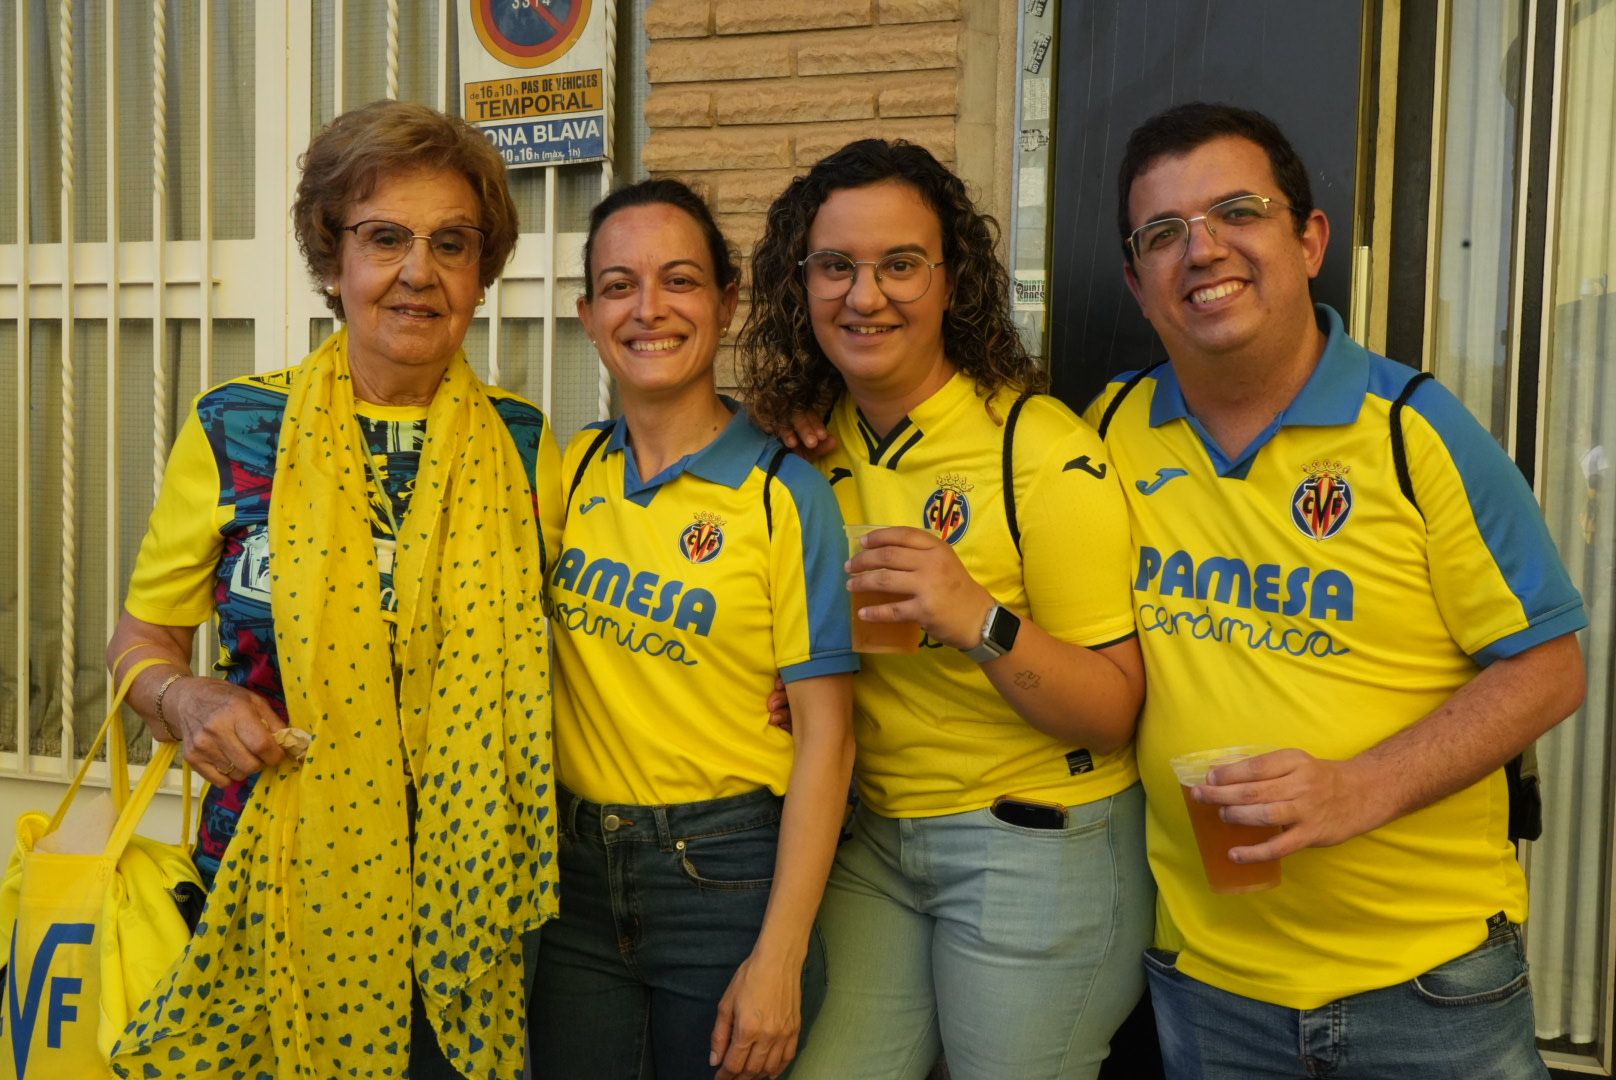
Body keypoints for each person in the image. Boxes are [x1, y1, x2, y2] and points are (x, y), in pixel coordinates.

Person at [1088, 101, 1587, 1078]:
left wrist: (1358, 788)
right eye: (1162, 233)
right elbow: (977, 473)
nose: (1201, 250)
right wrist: (816, 427)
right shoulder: (1107, 429)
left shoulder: (1413, 431)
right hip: (1210, 985)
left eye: (1236, 211)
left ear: (1307, 238)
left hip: (1427, 987)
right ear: (1134, 280)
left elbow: (1547, 669)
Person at [104, 100, 560, 1080]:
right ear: (332, 258)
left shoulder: (527, 447)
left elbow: (586, 629)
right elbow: (140, 638)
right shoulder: (235, 429)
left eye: (451, 242)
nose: (416, 271)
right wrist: (184, 697)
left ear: (481, 273)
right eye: (383, 237)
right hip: (266, 886)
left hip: (462, 908)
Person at [739, 139, 1152, 1080]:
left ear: (952, 280)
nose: (864, 294)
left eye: (900, 265)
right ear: (799, 284)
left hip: (1039, 841)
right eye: (834, 265)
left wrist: (978, 618)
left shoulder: (1039, 450)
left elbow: (1116, 709)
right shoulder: (804, 445)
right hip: (878, 839)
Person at [526, 178, 857, 1080]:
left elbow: (827, 737)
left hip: (728, 878)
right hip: (574, 881)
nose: (650, 309)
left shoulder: (783, 492)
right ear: (589, 314)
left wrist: (780, 957)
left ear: (726, 298)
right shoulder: (566, 470)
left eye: (679, 280)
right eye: (620, 285)